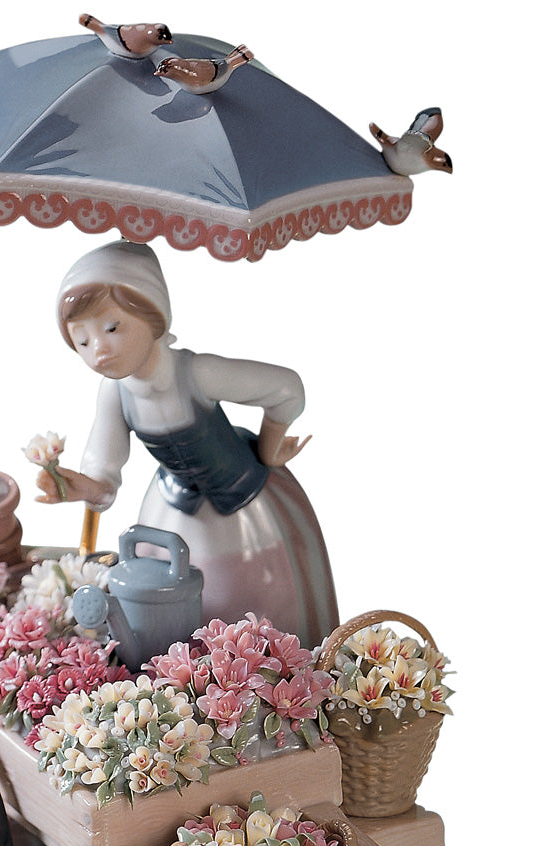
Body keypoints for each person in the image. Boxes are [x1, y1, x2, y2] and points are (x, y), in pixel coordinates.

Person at [35, 240, 338, 645]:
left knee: (254, 607)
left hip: (243, 502)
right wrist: (82, 487)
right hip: (171, 509)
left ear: (153, 314)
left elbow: (286, 389)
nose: (99, 350)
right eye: (83, 341)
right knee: (173, 611)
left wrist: (269, 448)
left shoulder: (198, 373)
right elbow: (104, 469)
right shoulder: (115, 392)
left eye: (111, 328)